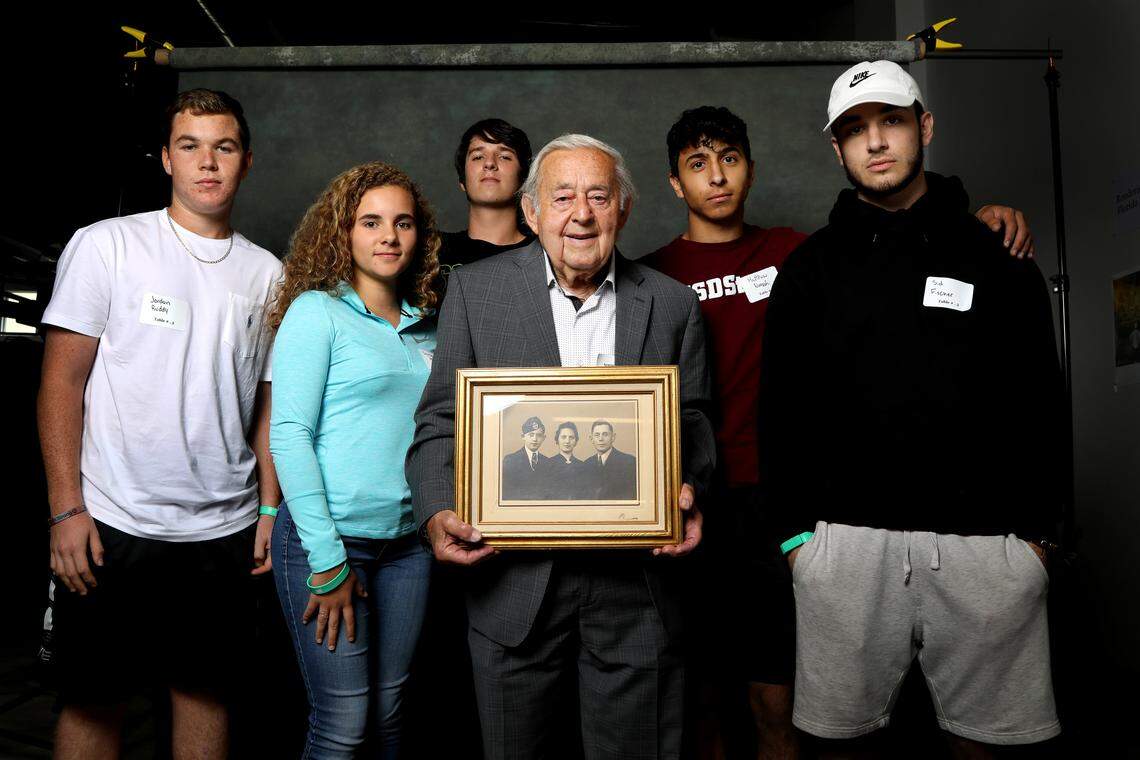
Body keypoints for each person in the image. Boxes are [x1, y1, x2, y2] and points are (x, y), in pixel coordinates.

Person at [640, 104, 1041, 759]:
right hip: (691, 505)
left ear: (751, 169)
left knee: (781, 701)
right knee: (701, 697)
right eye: (698, 165)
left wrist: (984, 220)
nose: (717, 177)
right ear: (675, 185)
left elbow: (902, 235)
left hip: (783, 500)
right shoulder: (649, 277)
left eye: (731, 159)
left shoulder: (802, 254)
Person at [758, 60, 1063, 757]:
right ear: (836, 148)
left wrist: (1041, 542)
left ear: (924, 126)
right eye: (855, 130)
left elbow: (1040, 399)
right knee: (843, 747)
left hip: (988, 547)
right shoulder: (807, 271)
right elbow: (782, 414)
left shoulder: (998, 253)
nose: (876, 142)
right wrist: (797, 544)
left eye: (891, 121)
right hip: (846, 549)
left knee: (987, 748)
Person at [406, 133, 716, 760]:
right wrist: (439, 510)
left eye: (599, 197)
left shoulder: (673, 304)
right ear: (532, 212)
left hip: (637, 588)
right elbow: (441, 420)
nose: (581, 214)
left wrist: (689, 490)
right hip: (511, 585)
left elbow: (695, 423)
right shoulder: (477, 293)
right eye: (564, 197)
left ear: (622, 210)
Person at [38, 88, 282, 760]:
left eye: (224, 147)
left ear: (247, 161)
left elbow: (267, 404)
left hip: (222, 531)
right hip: (112, 522)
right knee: (93, 703)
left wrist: (268, 508)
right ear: (168, 160)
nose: (208, 162)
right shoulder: (107, 245)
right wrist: (65, 509)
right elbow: (61, 381)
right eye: (190, 146)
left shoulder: (268, 274)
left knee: (205, 699)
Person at [266, 161, 440, 758]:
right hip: (330, 541)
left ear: (420, 236)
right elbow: (288, 435)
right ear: (343, 232)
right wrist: (328, 562)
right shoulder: (317, 313)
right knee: (344, 723)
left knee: (392, 714)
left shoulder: (428, 329)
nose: (388, 236)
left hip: (408, 546)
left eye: (403, 223)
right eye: (370, 222)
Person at [438, 118, 535, 273]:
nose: (489, 163)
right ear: (462, 180)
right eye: (478, 157)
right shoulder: (432, 250)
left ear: (523, 179)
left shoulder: (544, 254)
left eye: (504, 156)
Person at [501, 415, 551, 500]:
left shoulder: (548, 462)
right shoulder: (511, 460)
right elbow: (506, 493)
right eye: (531, 435)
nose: (535, 439)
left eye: (539, 435)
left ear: (543, 438)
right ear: (523, 436)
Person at [587, 419, 637, 500]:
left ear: (613, 437)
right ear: (591, 439)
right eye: (597, 435)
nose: (601, 439)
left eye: (605, 434)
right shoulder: (587, 464)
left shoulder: (629, 462)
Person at [544, 420, 592, 500]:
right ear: (557, 440)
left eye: (571, 437)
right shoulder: (548, 464)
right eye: (563, 437)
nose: (567, 441)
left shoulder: (583, 466)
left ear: (576, 441)